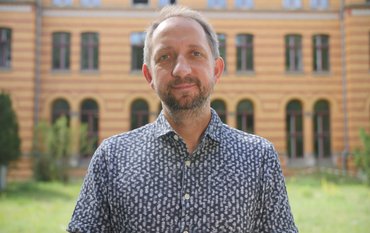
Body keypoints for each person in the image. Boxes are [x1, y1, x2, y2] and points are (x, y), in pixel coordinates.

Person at [67, 5, 298, 233]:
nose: (181, 69)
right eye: (165, 57)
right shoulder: (111, 159)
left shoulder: (259, 159)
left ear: (216, 69)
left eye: (195, 54)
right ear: (149, 75)